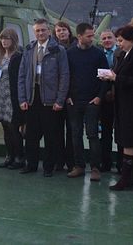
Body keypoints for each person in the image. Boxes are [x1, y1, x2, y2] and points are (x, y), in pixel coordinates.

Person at [100, 26, 133, 190]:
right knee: (132, 143)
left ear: (131, 40)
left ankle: (126, 178)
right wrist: (109, 76)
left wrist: (116, 77)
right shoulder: (124, 55)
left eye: (121, 40)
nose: (119, 44)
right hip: (124, 104)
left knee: (130, 141)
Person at [18, 18, 69, 177]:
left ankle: (49, 166)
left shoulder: (58, 50)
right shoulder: (28, 50)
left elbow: (64, 76)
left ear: (49, 31)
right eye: (37, 31)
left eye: (43, 30)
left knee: (50, 135)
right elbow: (22, 75)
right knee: (31, 135)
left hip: (50, 99)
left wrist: (60, 100)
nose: (40, 33)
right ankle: (30, 164)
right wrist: (22, 99)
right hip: (32, 97)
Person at [66, 23, 108, 181]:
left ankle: (95, 168)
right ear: (79, 36)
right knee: (75, 134)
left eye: (93, 35)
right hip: (74, 101)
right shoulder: (70, 53)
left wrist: (99, 97)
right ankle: (79, 166)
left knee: (92, 135)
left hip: (92, 101)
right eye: (89, 36)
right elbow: (65, 75)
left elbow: (105, 78)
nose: (92, 38)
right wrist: (67, 96)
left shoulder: (98, 54)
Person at [0, 28, 24, 169]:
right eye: (2, 38)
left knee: (13, 127)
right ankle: (9, 156)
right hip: (1, 95)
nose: (4, 41)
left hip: (12, 96)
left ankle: (19, 157)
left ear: (13, 40)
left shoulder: (17, 56)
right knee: (5, 126)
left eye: (7, 38)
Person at [53, 20, 76, 171]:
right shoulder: (53, 49)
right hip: (56, 96)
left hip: (71, 97)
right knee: (57, 130)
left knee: (72, 130)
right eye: (58, 30)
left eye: (63, 30)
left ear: (69, 31)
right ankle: (58, 160)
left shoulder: (75, 49)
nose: (61, 33)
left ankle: (71, 162)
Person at [98, 30, 118, 172]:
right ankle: (106, 162)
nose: (107, 40)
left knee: (122, 131)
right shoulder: (99, 55)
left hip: (120, 98)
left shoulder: (121, 54)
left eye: (109, 37)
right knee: (105, 132)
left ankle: (122, 164)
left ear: (115, 39)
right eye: (104, 38)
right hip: (104, 98)